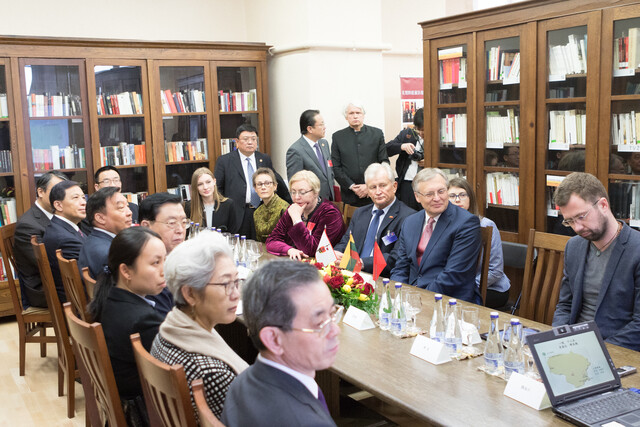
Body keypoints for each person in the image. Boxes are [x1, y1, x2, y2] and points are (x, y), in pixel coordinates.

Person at [221, 260, 340, 427]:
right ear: (273, 339)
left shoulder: (241, 382)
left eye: (332, 313)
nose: (335, 330)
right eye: (320, 323)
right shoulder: (307, 422)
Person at [150, 231, 248, 420]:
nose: (236, 294)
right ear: (190, 294)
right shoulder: (210, 373)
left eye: (237, 281)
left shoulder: (169, 330)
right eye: (226, 284)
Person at [552, 172, 640, 351]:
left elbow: (638, 325)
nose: (577, 227)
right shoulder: (574, 247)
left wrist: (597, 350)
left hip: (618, 348)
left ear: (603, 205)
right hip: (574, 346)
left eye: (581, 217)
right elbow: (565, 305)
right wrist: (558, 339)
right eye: (569, 221)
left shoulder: (636, 249)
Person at [88, 227, 166, 425]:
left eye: (165, 260)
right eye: (156, 263)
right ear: (125, 271)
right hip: (144, 414)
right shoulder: (143, 321)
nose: (164, 271)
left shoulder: (109, 298)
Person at [390, 168, 482, 304]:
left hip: (450, 301)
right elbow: (401, 267)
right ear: (417, 197)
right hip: (411, 297)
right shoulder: (410, 222)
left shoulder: (466, 223)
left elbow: (454, 275)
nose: (437, 198)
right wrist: (397, 294)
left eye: (441, 191)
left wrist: (418, 298)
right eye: (429, 194)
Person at [334, 163, 415, 276]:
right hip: (352, 273)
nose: (378, 192)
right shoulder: (360, 213)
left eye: (383, 185)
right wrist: (336, 253)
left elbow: (396, 257)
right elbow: (346, 242)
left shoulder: (408, 217)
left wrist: (361, 263)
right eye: (373, 187)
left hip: (383, 277)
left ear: (394, 186)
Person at [214, 124, 290, 239]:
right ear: (237, 141)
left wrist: (290, 203)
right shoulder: (224, 161)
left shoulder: (264, 158)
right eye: (246, 139)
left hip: (262, 210)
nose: (250, 142)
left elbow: (276, 181)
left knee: (261, 243)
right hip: (237, 213)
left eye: (253, 139)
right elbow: (218, 190)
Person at [448, 177, 511, 308]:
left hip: (490, 287)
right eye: (452, 196)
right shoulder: (444, 226)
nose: (457, 200)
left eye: (462, 195)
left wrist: (464, 287)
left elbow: (495, 271)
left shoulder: (486, 225)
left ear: (470, 198)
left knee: (452, 303)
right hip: (457, 286)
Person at [13, 170, 67, 308]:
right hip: (44, 289)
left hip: (59, 279)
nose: (61, 196)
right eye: (56, 191)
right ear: (41, 192)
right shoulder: (28, 225)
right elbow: (46, 265)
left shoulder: (59, 214)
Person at [266, 171, 344, 260]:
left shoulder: (330, 213)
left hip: (323, 264)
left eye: (302, 192)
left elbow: (313, 250)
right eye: (293, 192)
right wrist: (289, 250)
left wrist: (297, 220)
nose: (296, 197)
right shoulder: (293, 209)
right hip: (296, 261)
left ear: (316, 192)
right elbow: (271, 240)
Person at [139, 192, 188, 316]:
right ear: (146, 226)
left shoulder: (181, 258)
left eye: (184, 222)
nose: (180, 230)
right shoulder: (146, 272)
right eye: (171, 223)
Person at [331, 102, 388, 207]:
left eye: (358, 113)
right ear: (346, 117)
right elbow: (336, 167)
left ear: (363, 115)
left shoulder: (377, 134)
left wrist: (369, 185)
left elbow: (384, 162)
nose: (355, 116)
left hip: (375, 192)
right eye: (351, 113)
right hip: (349, 194)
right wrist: (352, 186)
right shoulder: (337, 137)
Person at [42, 180, 87, 303]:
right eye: (76, 198)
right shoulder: (65, 239)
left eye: (83, 197)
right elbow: (87, 278)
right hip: (79, 303)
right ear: (58, 205)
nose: (83, 202)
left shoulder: (60, 227)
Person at [78, 187, 133, 280]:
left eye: (127, 206)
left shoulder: (93, 240)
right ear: (100, 218)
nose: (130, 212)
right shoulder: (110, 254)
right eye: (121, 207)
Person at [286, 110, 335, 201]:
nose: (324, 127)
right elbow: (294, 183)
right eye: (321, 124)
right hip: (311, 203)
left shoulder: (324, 144)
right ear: (310, 129)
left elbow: (329, 172)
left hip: (329, 200)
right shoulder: (296, 151)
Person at [385, 107, 424, 211]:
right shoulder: (407, 134)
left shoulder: (436, 137)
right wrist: (401, 146)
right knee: (407, 214)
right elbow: (386, 149)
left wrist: (429, 162)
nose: (421, 133)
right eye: (418, 130)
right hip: (407, 184)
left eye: (424, 130)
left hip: (426, 184)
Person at [184, 167, 236, 233]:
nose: (205, 187)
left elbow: (233, 234)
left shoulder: (228, 205)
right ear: (196, 187)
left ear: (214, 181)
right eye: (200, 184)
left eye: (208, 182)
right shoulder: (189, 207)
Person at [252, 167, 289, 242]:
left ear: (275, 186)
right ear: (255, 188)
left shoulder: (285, 208)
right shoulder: (257, 213)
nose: (263, 187)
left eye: (267, 183)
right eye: (259, 184)